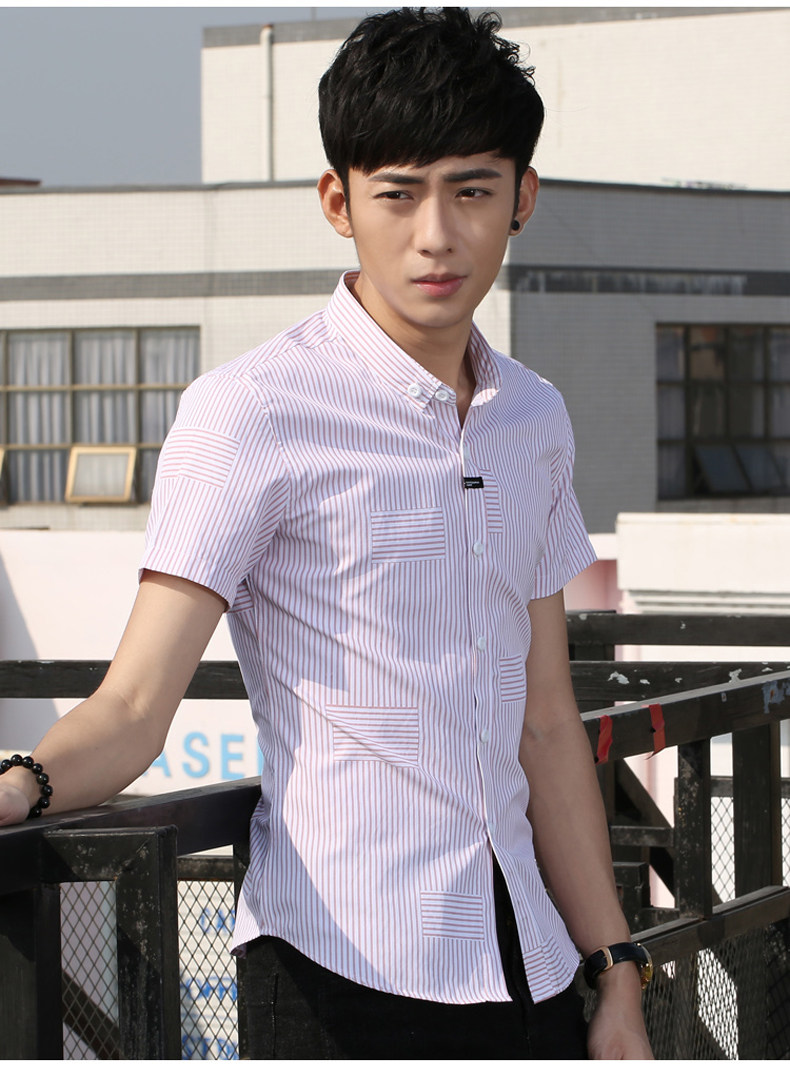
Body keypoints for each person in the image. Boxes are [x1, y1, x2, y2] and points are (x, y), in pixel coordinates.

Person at [0, 8, 653, 1060]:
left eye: (472, 191)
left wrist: (615, 967)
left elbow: (543, 719)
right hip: (339, 973)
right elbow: (133, 704)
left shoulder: (534, 416)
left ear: (522, 200)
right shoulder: (252, 410)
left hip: (531, 966)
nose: (436, 234)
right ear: (337, 202)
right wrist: (23, 782)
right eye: (397, 193)